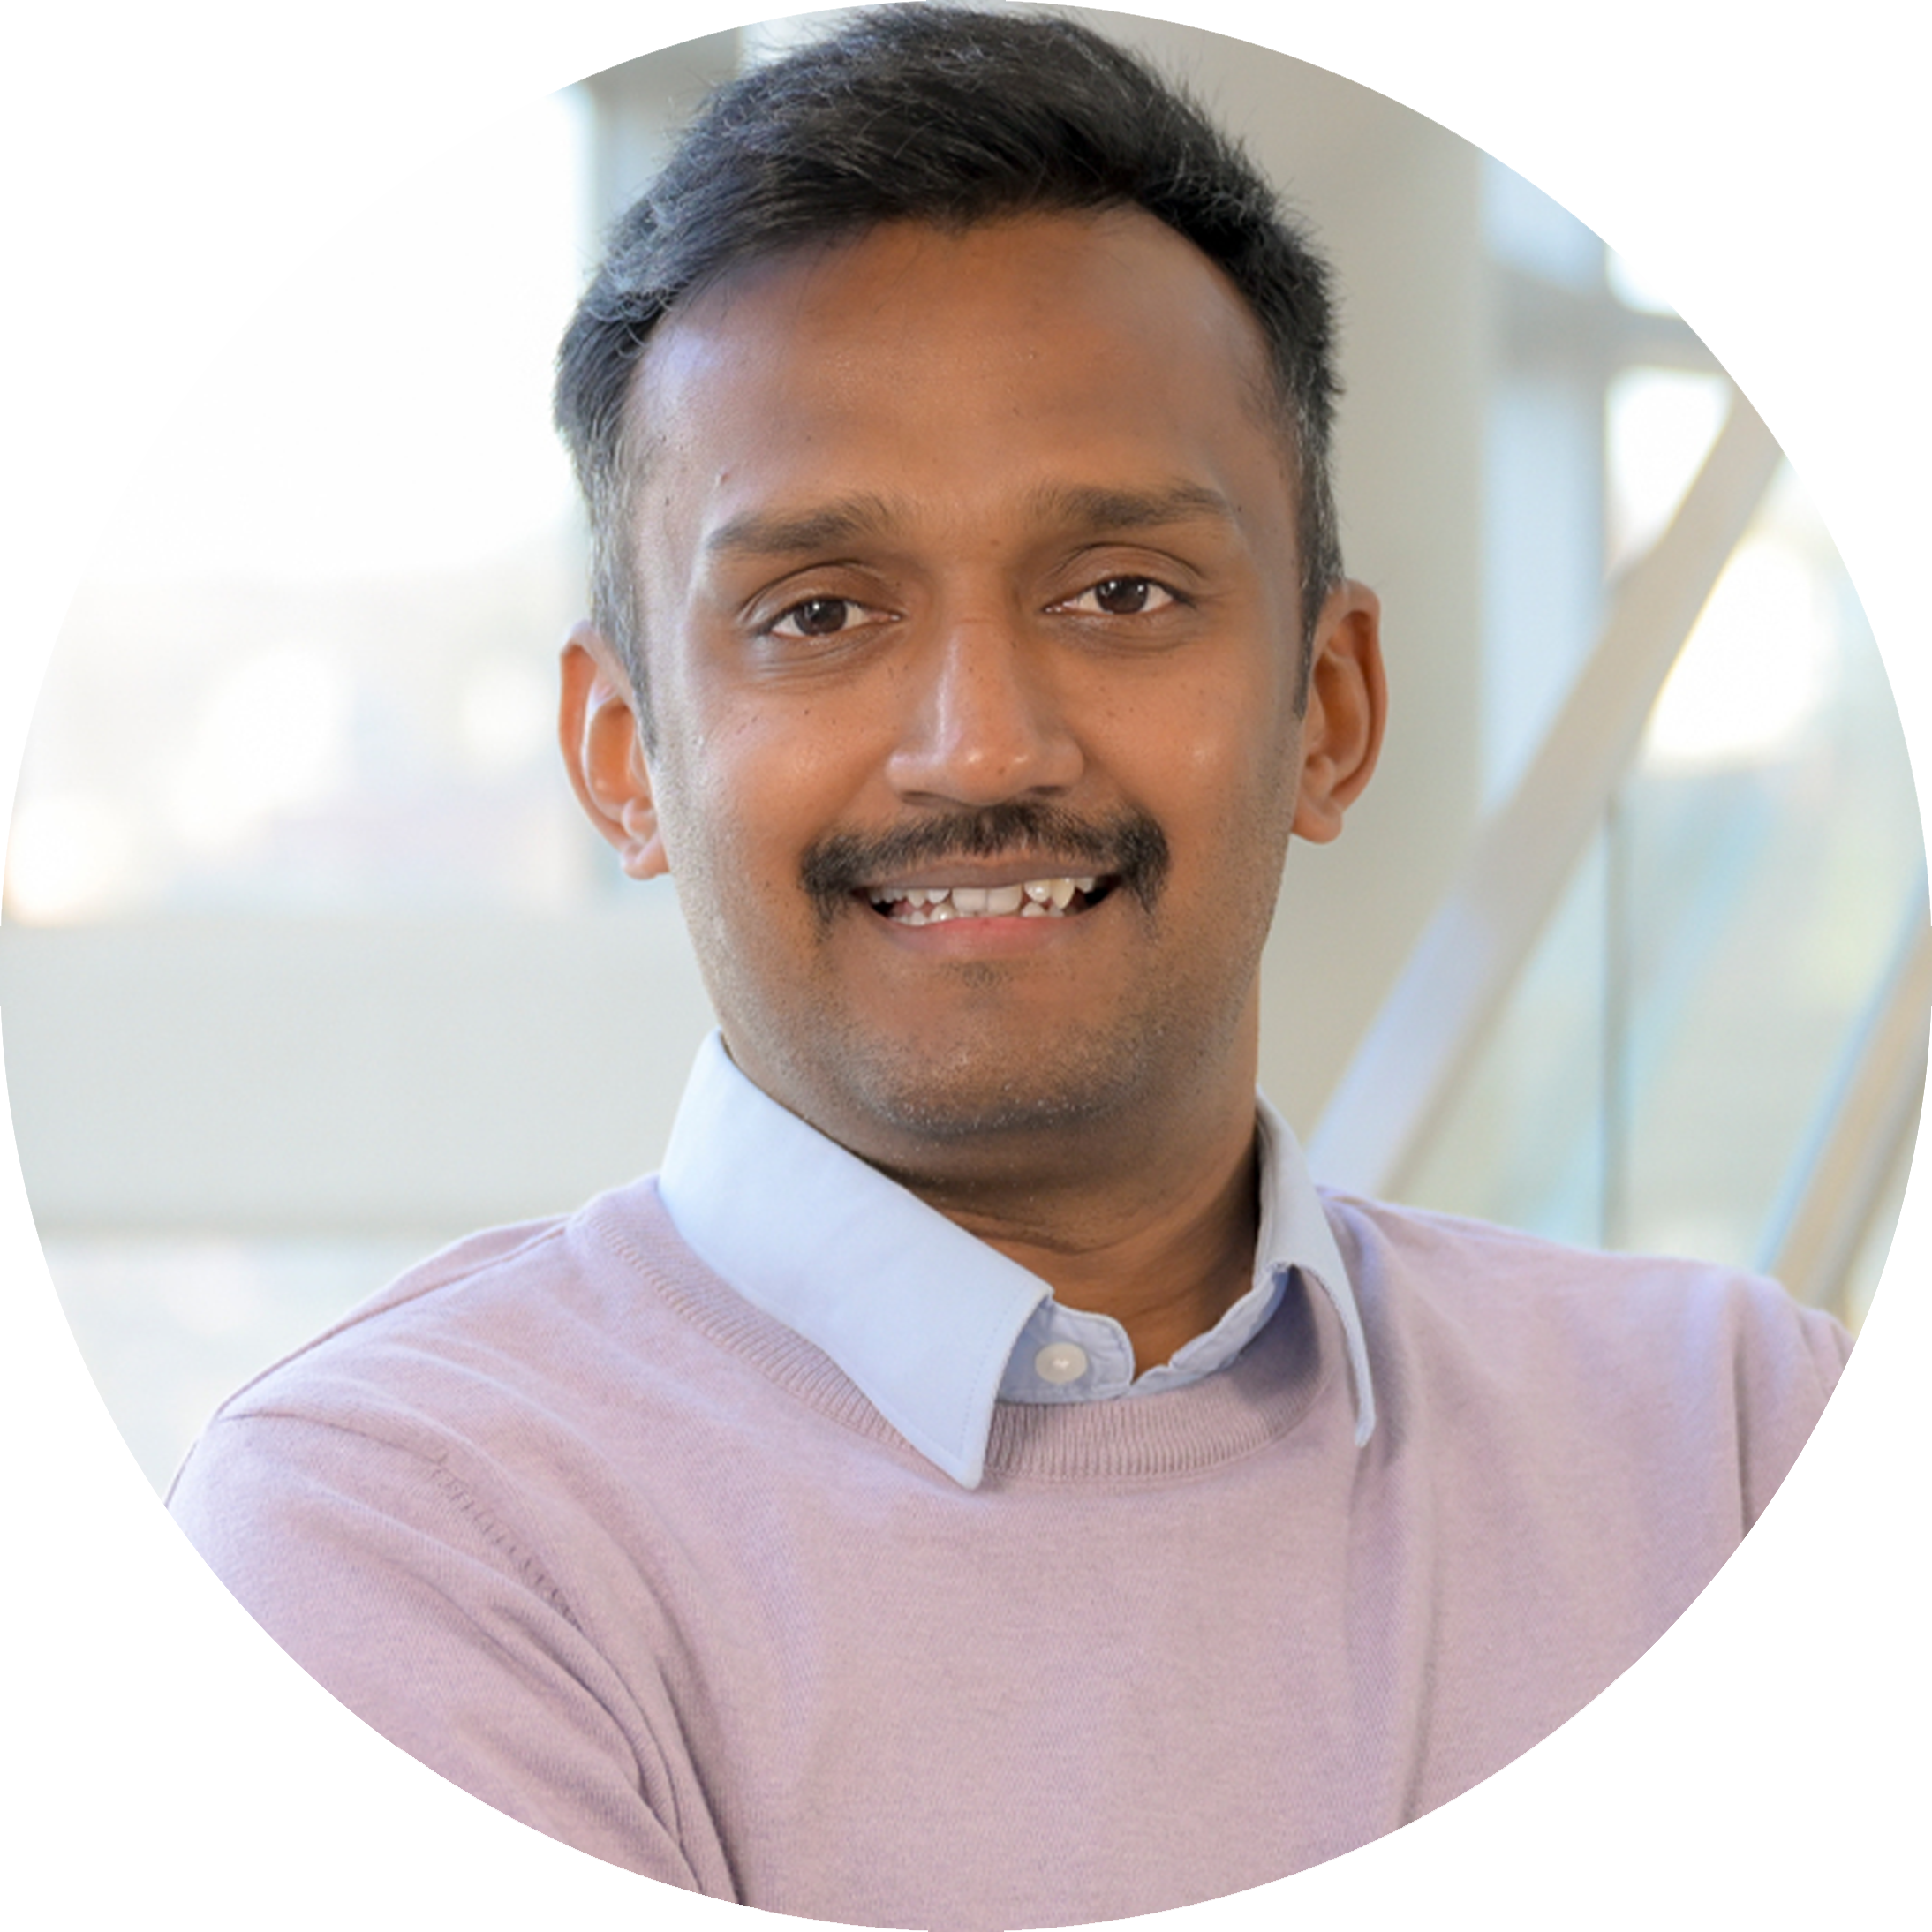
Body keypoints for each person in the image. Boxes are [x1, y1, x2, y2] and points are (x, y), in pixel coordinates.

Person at [133, 8, 1932, 1928]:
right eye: (817, 612)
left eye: (1119, 594)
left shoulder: (1775, 1473)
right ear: (619, 753)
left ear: (1326, 707)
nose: (981, 745)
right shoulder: (401, 1534)